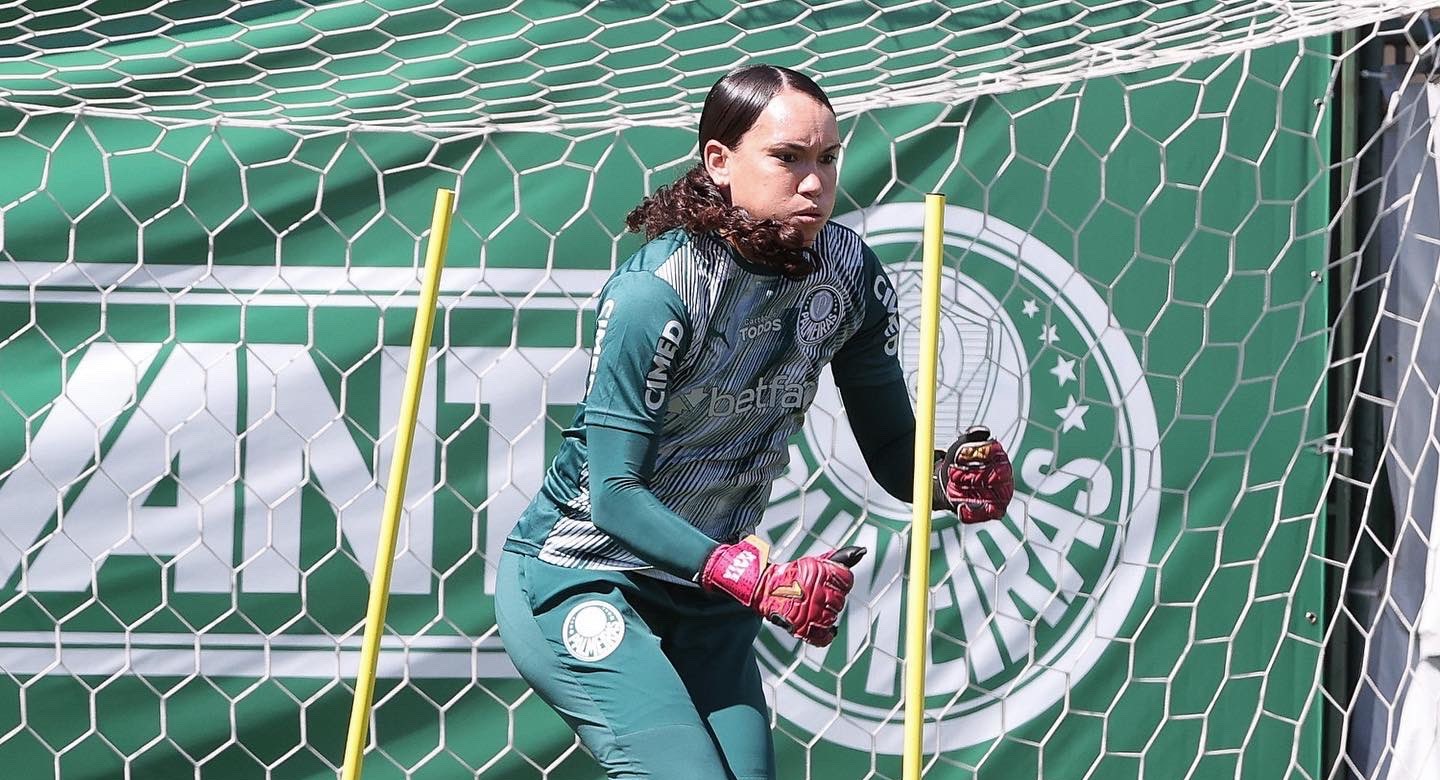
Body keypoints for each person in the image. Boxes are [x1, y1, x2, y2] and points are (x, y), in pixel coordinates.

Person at [494, 64, 1015, 780]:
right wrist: (751, 576)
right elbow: (614, 494)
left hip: (710, 598)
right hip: (581, 577)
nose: (813, 181)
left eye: (827, 158)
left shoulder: (851, 273)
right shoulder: (658, 291)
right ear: (719, 162)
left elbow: (896, 453)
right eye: (787, 157)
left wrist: (946, 478)